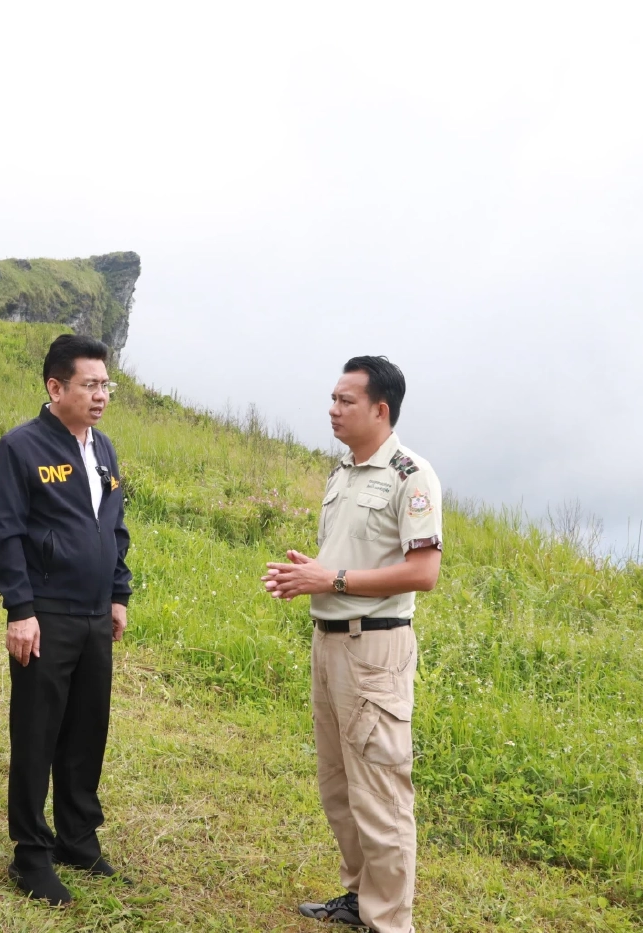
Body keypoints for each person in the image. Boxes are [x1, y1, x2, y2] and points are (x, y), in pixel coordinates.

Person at [263, 356, 442, 933]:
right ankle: (360, 897)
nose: (333, 410)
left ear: (379, 409)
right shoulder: (342, 473)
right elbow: (349, 559)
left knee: (381, 794)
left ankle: (390, 922)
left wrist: (332, 581)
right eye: (333, 399)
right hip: (330, 644)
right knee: (339, 785)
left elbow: (423, 572)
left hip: (376, 650)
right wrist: (310, 575)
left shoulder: (412, 476)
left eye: (345, 401)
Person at [0, 334, 132, 906]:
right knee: (38, 732)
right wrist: (20, 610)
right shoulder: (21, 447)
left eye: (105, 385)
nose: (101, 396)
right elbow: (6, 532)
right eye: (90, 385)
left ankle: (77, 836)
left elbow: (115, 526)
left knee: (86, 729)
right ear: (55, 387)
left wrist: (119, 593)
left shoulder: (104, 449)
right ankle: (30, 852)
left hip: (97, 615)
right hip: (45, 615)